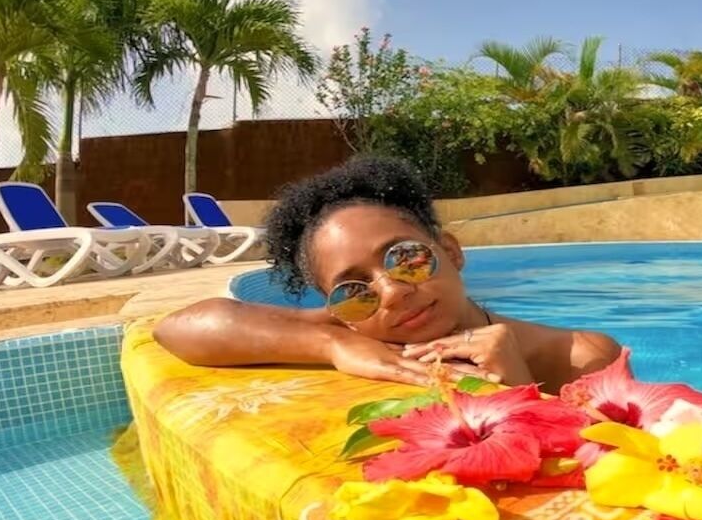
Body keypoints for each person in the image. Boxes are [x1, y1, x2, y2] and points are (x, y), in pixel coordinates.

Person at [155, 156, 621, 389]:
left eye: (406, 258)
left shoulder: (582, 356)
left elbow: (634, 471)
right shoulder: (358, 331)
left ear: (452, 251)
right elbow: (179, 327)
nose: (392, 293)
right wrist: (332, 343)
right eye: (354, 290)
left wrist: (515, 388)